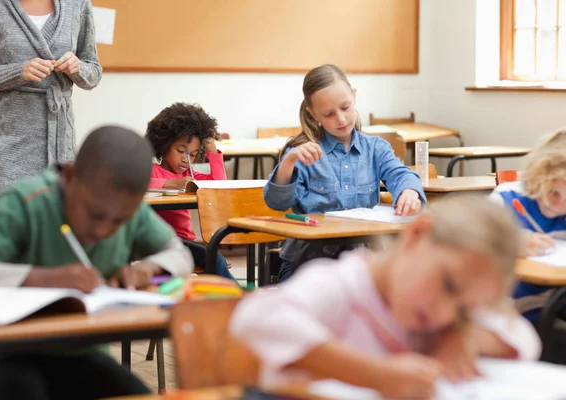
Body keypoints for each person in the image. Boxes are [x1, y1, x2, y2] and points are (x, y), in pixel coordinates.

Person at [230, 196, 540, 399]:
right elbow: (256, 317)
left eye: (463, 309)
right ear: (417, 234)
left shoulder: (445, 320)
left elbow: (525, 338)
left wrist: (467, 334)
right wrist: (374, 375)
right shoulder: (340, 285)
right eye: (447, 285)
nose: (445, 313)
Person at [0, 126, 193, 400]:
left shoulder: (125, 209)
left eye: (119, 222)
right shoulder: (28, 202)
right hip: (5, 352)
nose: (103, 230)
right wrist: (42, 279)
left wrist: (147, 269)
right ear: (71, 177)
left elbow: (180, 254)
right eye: (94, 214)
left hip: (80, 351)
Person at [264, 64, 425, 281]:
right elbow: (277, 202)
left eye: (345, 107)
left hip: (363, 262)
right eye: (329, 114)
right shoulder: (302, 153)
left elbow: (399, 174)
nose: (340, 119)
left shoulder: (375, 148)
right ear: (313, 114)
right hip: (309, 263)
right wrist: (288, 162)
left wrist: (409, 192)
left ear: (354, 96)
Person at [0, 0, 102, 201]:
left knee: (55, 231)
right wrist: (17, 71)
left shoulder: (78, 4)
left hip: (59, 148)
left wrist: (78, 67)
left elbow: (94, 72)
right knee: (3, 230)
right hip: (2, 153)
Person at [146, 102, 235, 280]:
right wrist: (172, 183)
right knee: (214, 259)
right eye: (180, 151)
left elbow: (219, 184)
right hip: (160, 242)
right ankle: (237, 298)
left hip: (186, 242)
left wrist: (211, 148)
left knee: (217, 261)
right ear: (164, 146)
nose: (186, 159)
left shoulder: (191, 176)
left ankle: (219, 298)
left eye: (193, 154)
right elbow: (139, 182)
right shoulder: (152, 171)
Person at [490, 130, 566, 324]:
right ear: (537, 178)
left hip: (557, 305)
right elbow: (470, 245)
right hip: (509, 309)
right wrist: (510, 243)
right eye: (553, 193)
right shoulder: (507, 198)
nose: (559, 205)